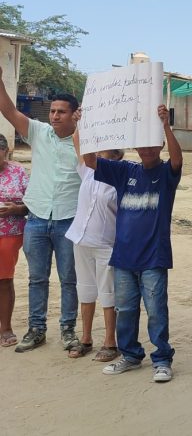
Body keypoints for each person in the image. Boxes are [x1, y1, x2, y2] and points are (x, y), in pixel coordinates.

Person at [84, 104, 183, 383]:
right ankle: (130, 355)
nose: (148, 150)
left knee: (155, 311)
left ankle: (162, 359)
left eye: (154, 145)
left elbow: (178, 159)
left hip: (154, 257)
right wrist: (86, 126)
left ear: (160, 145)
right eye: (143, 145)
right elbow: (90, 160)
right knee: (125, 310)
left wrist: (165, 124)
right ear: (136, 147)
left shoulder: (166, 174)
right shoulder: (123, 171)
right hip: (123, 257)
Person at [0, 67, 82, 354]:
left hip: (69, 218)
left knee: (69, 279)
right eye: (53, 111)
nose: (55, 116)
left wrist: (83, 132)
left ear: (75, 114)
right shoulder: (39, 132)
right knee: (36, 278)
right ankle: (36, 330)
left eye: (62, 111)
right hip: (36, 220)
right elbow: (9, 111)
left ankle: (68, 331)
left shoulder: (84, 141)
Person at [65, 124, 123, 361]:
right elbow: (77, 139)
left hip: (105, 243)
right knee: (85, 289)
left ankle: (111, 342)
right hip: (81, 239)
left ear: (117, 155)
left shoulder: (120, 179)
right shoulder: (87, 172)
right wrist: (83, 119)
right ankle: (86, 338)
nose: (97, 152)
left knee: (108, 292)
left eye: (104, 149)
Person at [0, 134, 29, 348]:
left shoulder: (18, 171)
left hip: (9, 233)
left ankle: (6, 328)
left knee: (3, 280)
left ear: (6, 151)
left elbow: (32, 202)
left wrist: (16, 209)